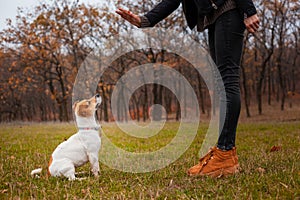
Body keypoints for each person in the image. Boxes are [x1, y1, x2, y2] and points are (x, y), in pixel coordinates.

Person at [116, 0, 259, 177]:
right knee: (222, 85)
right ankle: (224, 153)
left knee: (228, 81)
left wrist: (249, 9)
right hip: (216, 16)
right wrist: (145, 20)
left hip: (229, 8)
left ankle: (225, 154)